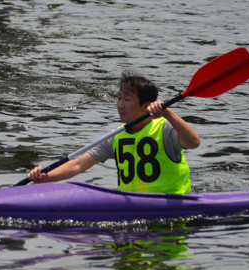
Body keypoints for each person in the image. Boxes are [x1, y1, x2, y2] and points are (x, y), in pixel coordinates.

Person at [27, 71, 200, 194]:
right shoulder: (117, 136)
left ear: (146, 106)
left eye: (127, 99)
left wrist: (168, 113)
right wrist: (46, 177)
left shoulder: (164, 128)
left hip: (172, 206)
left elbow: (193, 142)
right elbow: (78, 164)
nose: (120, 105)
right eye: (118, 99)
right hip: (131, 205)